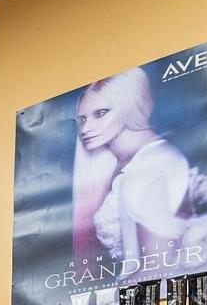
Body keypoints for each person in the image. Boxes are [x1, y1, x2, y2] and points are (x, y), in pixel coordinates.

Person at [71, 67, 191, 271]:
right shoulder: (118, 163)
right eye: (83, 119)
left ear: (128, 107)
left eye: (100, 113)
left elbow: (157, 268)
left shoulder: (146, 171)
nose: (85, 129)